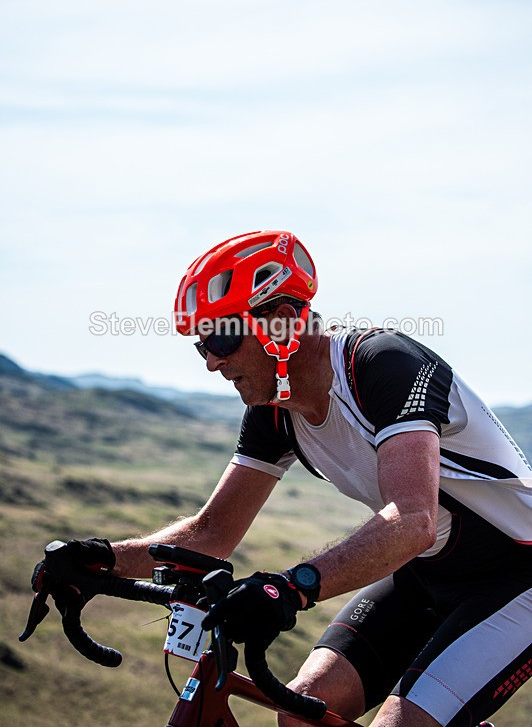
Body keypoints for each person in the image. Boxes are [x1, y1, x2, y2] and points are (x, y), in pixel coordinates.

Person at [34, 230, 531, 727]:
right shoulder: (276, 410)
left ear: (282, 323)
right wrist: (101, 559)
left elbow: (413, 520)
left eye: (222, 338)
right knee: (299, 712)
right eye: (200, 345)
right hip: (425, 575)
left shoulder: (382, 365)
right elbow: (210, 535)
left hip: (517, 578)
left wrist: (293, 587)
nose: (211, 361)